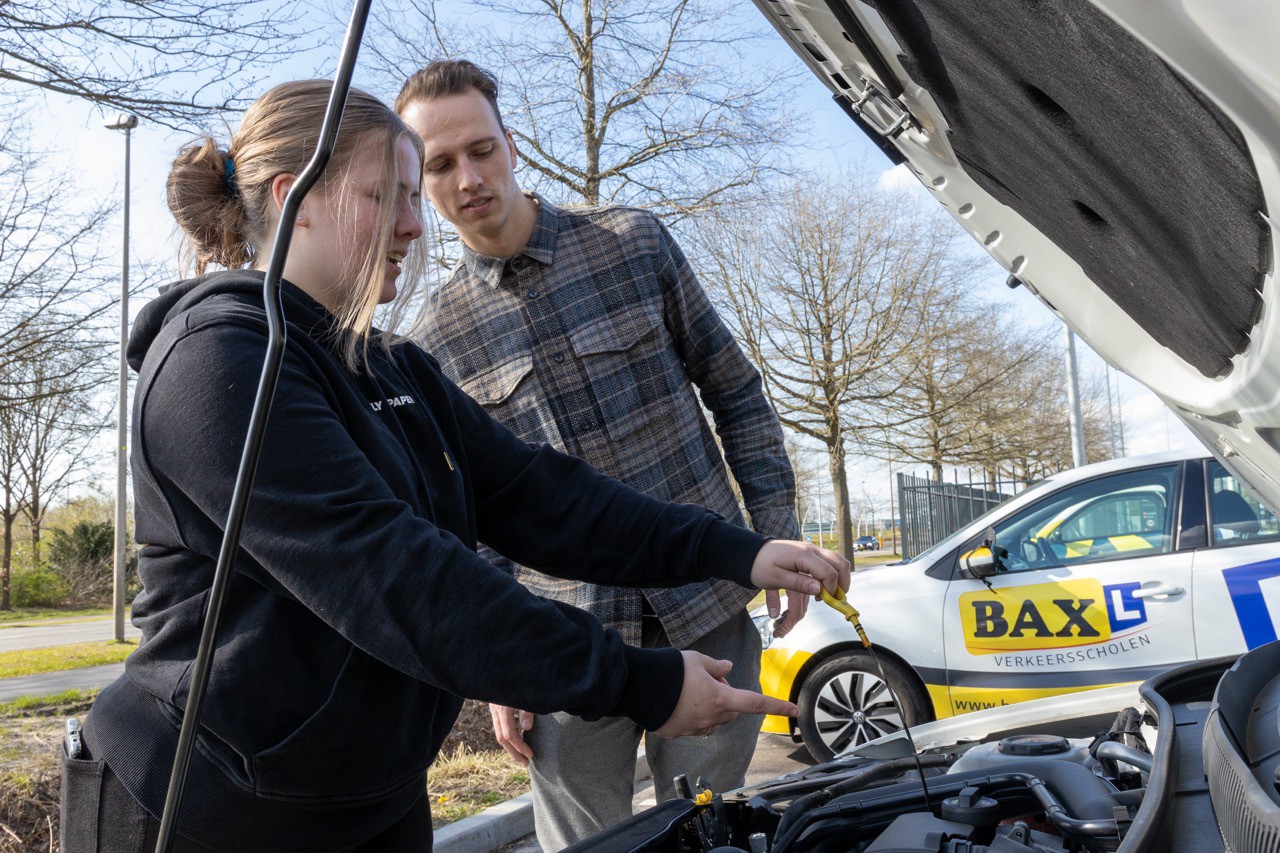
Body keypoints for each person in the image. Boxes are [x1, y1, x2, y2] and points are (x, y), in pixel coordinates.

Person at [58, 80, 847, 853]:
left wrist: (735, 547)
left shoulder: (388, 365)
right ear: (294, 196)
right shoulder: (220, 362)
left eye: (412, 196)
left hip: (369, 795)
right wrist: (643, 681)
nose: (414, 226)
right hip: (210, 809)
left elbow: (541, 497)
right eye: (389, 196)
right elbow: (395, 576)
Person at [395, 61, 804, 849]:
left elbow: (737, 391)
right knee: (588, 845)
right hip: (567, 650)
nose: (468, 177)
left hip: (705, 608)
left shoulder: (634, 243)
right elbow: (470, 520)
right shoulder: (430, 340)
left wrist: (772, 530)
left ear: (512, 143)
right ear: (417, 180)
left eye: (482, 148)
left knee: (710, 832)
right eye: (440, 164)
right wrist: (499, 669)